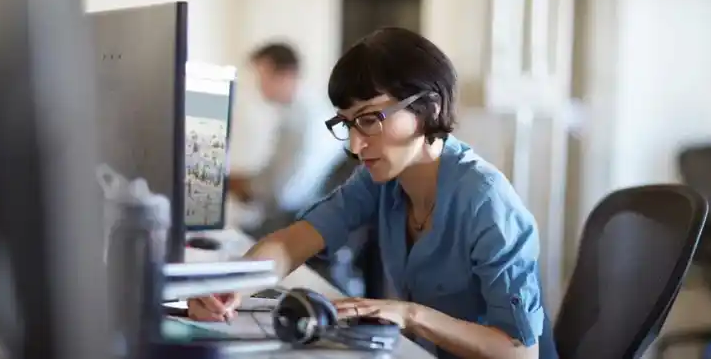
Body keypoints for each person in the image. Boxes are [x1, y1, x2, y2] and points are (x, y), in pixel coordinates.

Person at [190, 28, 559, 359]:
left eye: (369, 119)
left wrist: (410, 315)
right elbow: (294, 241)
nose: (355, 144)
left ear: (429, 107)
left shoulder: (487, 200)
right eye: (347, 123)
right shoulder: (380, 181)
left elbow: (520, 352)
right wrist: (232, 286)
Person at [227, 42, 345, 236]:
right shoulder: (301, 110)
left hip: (297, 223)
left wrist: (241, 185)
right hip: (295, 217)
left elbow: (285, 194)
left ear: (286, 75)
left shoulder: (304, 119)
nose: (259, 87)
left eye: (262, 77)